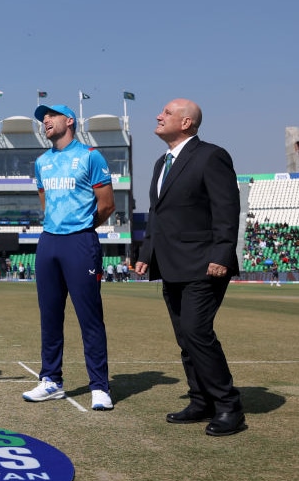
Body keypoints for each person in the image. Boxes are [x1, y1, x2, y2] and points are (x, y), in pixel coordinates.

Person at [135, 98, 246, 436]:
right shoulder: (160, 163)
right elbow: (158, 215)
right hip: (169, 264)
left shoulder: (211, 156)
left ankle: (229, 406)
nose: (158, 115)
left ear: (186, 123)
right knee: (186, 337)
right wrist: (145, 253)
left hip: (204, 263)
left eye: (166, 113)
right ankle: (201, 400)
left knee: (198, 332)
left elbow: (227, 208)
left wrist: (222, 254)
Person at [22, 104, 116, 411]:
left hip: (80, 242)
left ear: (69, 120)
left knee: (89, 317)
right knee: (49, 316)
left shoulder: (91, 156)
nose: (45, 121)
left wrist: (82, 228)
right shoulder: (41, 162)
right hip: (48, 242)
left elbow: (106, 205)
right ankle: (50, 380)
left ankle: (99, 386)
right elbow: (45, 203)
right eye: (42, 118)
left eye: (51, 115)